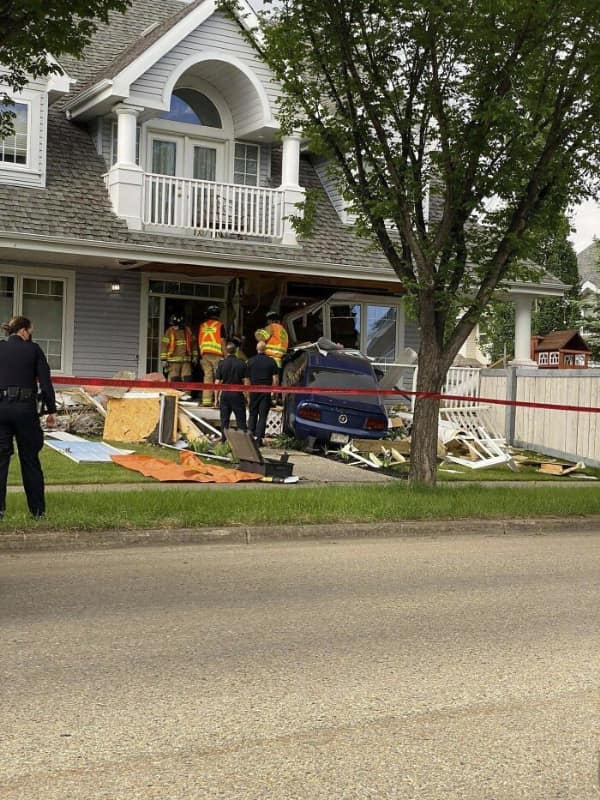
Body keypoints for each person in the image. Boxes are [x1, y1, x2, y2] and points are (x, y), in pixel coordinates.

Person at [0, 316, 57, 520]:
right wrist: (51, 410)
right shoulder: (33, 350)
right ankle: (37, 511)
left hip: (1, 408)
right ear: (24, 331)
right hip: (25, 409)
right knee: (30, 460)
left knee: (0, 461)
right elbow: (45, 382)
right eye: (31, 332)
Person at [245, 340, 279, 447]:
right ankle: (259, 439)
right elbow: (275, 379)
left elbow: (247, 379)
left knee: (253, 413)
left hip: (254, 390)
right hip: (266, 391)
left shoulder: (250, 361)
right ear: (265, 349)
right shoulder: (271, 361)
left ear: (257, 349)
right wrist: (274, 392)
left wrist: (247, 392)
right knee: (263, 416)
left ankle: (250, 436)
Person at [215, 341, 248, 441]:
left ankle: (224, 440)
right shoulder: (242, 364)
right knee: (241, 419)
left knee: (224, 420)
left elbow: (217, 382)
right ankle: (243, 441)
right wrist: (247, 396)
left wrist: (216, 398)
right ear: (236, 351)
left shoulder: (221, 364)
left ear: (226, 351)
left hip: (225, 395)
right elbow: (246, 382)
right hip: (237, 394)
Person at [198, 305, 226, 407]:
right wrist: (226, 354)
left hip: (205, 354)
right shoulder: (219, 325)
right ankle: (218, 401)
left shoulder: (202, 325)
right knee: (219, 378)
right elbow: (222, 341)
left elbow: (200, 340)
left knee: (207, 377)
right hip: (217, 355)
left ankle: (206, 401)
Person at [160, 313, 198, 382]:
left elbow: (194, 344)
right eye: (173, 325)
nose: (174, 327)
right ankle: (172, 393)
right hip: (173, 361)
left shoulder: (188, 331)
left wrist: (195, 356)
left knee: (187, 379)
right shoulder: (169, 331)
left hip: (186, 360)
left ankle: (187, 393)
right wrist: (163, 359)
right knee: (174, 380)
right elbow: (164, 345)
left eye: (175, 325)